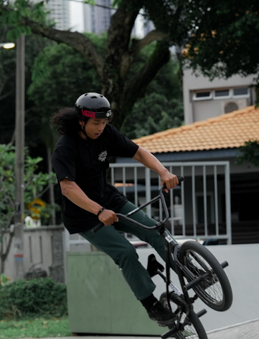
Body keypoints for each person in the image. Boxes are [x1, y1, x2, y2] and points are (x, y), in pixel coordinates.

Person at [50, 93, 180, 326]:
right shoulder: (65, 148)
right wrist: (98, 211)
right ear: (81, 121)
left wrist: (163, 172)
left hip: (110, 199)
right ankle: (151, 305)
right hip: (85, 216)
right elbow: (68, 188)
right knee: (126, 252)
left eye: (104, 122)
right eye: (96, 123)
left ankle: (188, 270)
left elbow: (138, 152)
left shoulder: (107, 134)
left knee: (154, 230)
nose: (100, 128)